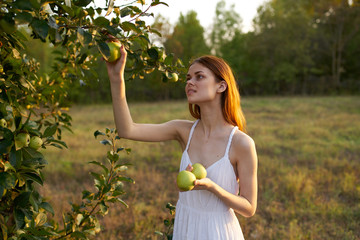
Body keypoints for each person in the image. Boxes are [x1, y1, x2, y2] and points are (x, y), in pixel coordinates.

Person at [106, 45, 258, 240]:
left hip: (219, 232)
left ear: (221, 85)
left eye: (199, 77)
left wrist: (213, 187)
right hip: (186, 229)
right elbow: (127, 129)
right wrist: (116, 77)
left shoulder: (241, 143)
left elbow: (249, 207)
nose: (190, 83)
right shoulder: (183, 131)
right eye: (188, 78)